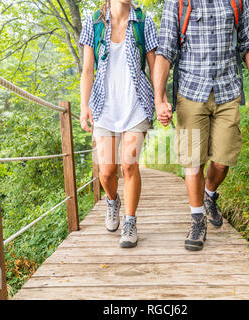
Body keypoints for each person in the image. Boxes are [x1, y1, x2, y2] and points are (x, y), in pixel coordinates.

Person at [153, 0, 249, 251]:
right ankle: (196, 220)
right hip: (191, 92)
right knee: (193, 161)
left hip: (228, 91)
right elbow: (165, 50)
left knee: (223, 160)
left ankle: (210, 194)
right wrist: (159, 99)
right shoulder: (178, 2)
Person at [79, 0, 160, 248]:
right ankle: (112, 200)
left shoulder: (143, 22)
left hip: (135, 105)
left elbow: (155, 65)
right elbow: (88, 69)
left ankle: (130, 221)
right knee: (106, 171)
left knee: (128, 165)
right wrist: (84, 106)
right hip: (104, 106)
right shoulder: (93, 23)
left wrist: (161, 99)